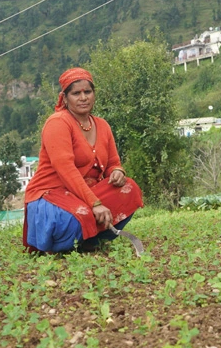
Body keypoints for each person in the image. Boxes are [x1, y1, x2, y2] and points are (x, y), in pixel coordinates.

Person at [22, 68, 143, 253]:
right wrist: (95, 203)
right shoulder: (58, 123)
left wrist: (117, 172)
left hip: (84, 193)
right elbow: (66, 170)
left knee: (129, 189)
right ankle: (61, 245)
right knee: (82, 214)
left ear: (94, 94)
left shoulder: (102, 125)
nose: (83, 97)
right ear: (65, 97)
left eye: (87, 92)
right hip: (50, 195)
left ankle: (93, 241)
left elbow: (112, 163)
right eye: (76, 93)